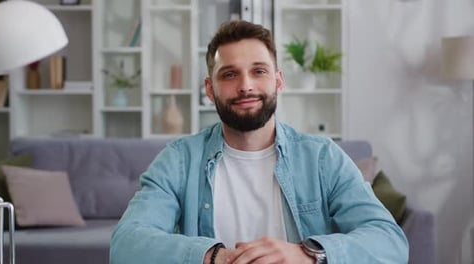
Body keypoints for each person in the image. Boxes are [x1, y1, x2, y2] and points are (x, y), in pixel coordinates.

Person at [110, 20, 409, 264]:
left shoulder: (323, 158)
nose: (245, 85)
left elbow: (389, 241)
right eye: (229, 74)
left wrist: (306, 254)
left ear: (278, 81)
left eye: (259, 71)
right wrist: (213, 257)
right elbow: (126, 244)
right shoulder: (178, 160)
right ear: (210, 89)